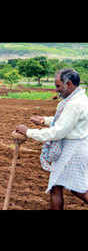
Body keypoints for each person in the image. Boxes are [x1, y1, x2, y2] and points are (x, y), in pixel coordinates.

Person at [16, 69, 88, 210]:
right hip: (76, 149)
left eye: (58, 86)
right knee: (57, 187)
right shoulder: (79, 99)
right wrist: (45, 120)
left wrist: (28, 132)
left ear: (69, 84)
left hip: (72, 152)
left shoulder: (74, 104)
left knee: (77, 189)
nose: (57, 90)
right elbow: (67, 122)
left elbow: (58, 132)